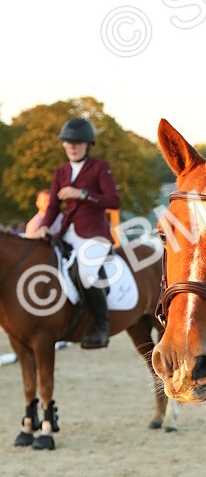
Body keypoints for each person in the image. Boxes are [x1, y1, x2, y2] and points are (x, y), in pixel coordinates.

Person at [35, 117, 120, 348]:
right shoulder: (60, 171)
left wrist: (81, 194)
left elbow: (114, 201)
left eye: (78, 142)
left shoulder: (100, 168)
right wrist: (44, 224)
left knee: (85, 272)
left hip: (94, 234)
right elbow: (53, 206)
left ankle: (101, 326)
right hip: (66, 232)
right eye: (68, 142)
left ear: (87, 145)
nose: (72, 146)